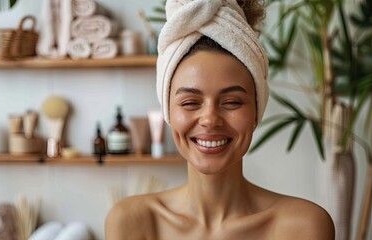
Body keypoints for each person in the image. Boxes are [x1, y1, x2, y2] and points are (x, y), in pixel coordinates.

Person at [105, 0, 335, 239]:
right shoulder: (132, 221)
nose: (210, 119)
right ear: (169, 113)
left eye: (232, 102)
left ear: (256, 111)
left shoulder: (303, 226)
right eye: (190, 103)